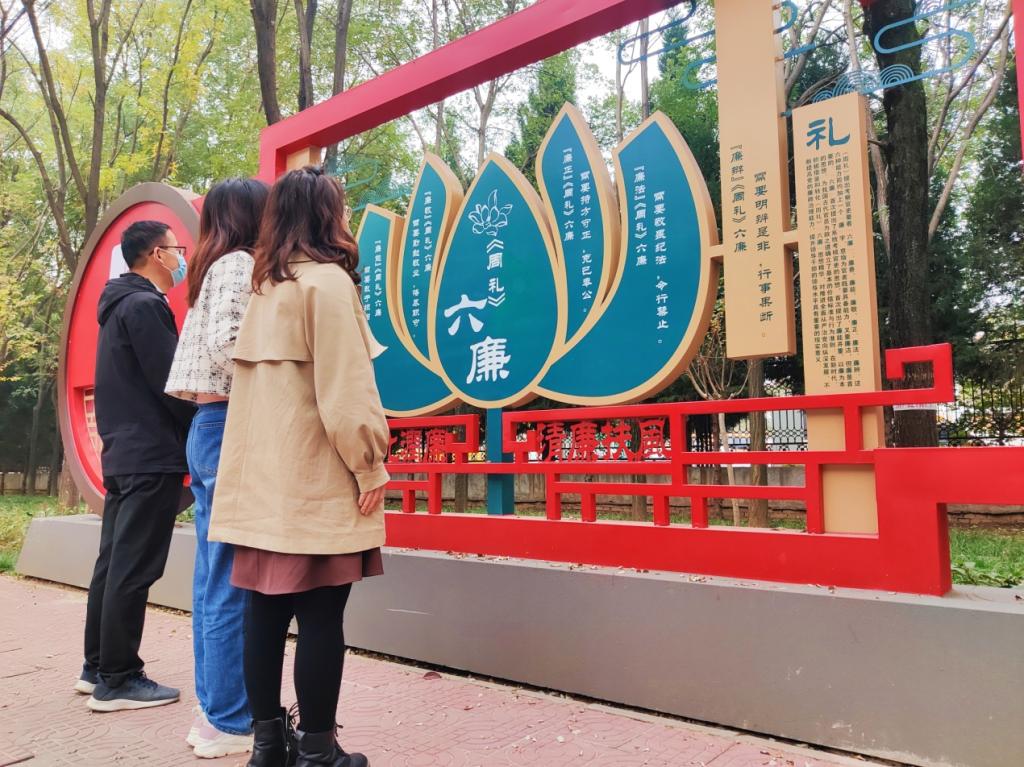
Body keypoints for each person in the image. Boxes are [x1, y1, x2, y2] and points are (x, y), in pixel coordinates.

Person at [209, 166, 388, 767]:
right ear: (326, 215)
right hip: (315, 478)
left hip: (263, 483)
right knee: (320, 618)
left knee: (262, 614)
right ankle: (316, 750)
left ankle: (267, 747)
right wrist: (370, 466)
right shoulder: (328, 285)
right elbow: (346, 392)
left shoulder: (266, 288)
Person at [166, 178, 270, 759]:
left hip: (211, 425)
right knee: (231, 577)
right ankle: (229, 718)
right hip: (230, 422)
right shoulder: (237, 265)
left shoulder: (212, 266)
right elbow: (231, 346)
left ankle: (215, 710)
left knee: (215, 575)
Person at [79, 220, 196, 711]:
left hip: (124, 453)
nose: (181, 257)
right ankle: (119, 678)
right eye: (175, 248)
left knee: (113, 563)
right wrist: (202, 426)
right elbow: (173, 383)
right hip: (150, 454)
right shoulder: (146, 305)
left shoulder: (117, 306)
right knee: (133, 567)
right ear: (155, 254)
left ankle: (97, 667)